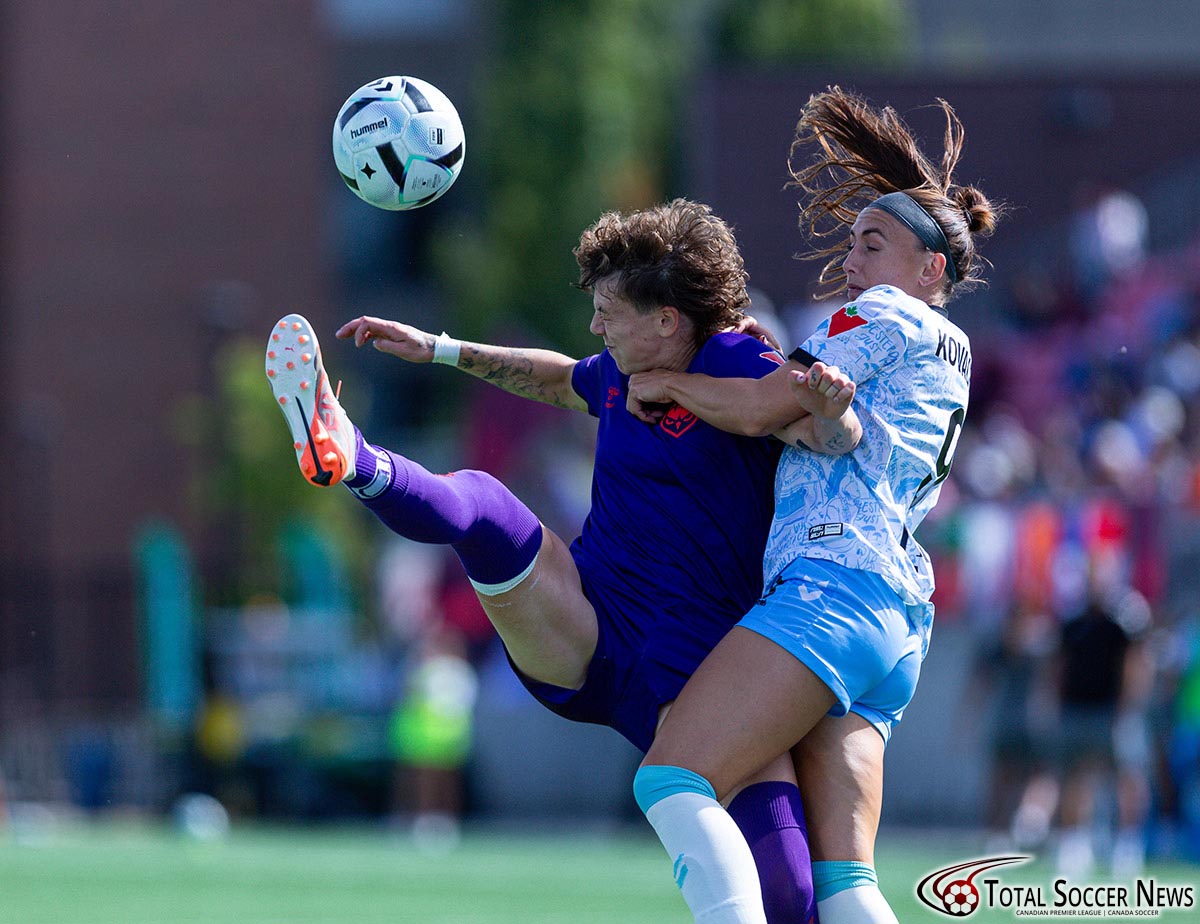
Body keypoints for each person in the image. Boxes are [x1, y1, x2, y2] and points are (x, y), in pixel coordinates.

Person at [265, 199, 850, 922]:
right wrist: (440, 348)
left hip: (711, 677)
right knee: (486, 506)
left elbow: (819, 424)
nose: (596, 328)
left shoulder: (735, 357)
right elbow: (558, 377)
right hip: (587, 628)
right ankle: (352, 456)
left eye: (608, 312)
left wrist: (750, 391)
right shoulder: (622, 369)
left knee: (789, 892)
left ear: (668, 320)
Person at [625, 86, 1002, 924]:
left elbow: (763, 409)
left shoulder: (881, 312)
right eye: (852, 243)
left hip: (832, 585)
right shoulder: (956, 347)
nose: (852, 261)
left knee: (673, 777)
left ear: (931, 270)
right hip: (896, 620)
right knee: (846, 883)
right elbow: (820, 416)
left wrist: (667, 383)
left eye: (873, 244)